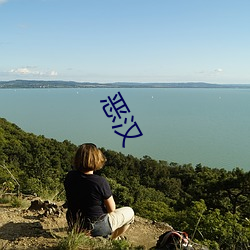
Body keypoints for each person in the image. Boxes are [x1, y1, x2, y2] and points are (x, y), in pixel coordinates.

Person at [64, 143, 134, 239]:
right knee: (130, 212)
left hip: (74, 225)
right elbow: (112, 209)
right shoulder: (100, 182)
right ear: (97, 160)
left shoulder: (70, 176)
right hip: (95, 227)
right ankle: (112, 239)